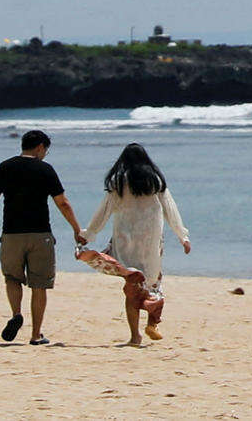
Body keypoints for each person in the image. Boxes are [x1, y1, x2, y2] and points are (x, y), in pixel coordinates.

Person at [0, 129, 85, 344]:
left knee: (12, 278)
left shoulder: (5, 167)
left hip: (12, 234)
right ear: (40, 147)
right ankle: (35, 334)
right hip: (40, 234)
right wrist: (77, 229)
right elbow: (63, 203)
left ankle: (16, 315)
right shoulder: (45, 169)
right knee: (39, 284)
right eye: (45, 150)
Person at [82, 142, 191, 345]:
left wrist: (88, 234)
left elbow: (104, 210)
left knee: (132, 285)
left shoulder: (119, 181)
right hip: (150, 243)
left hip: (125, 242)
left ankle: (135, 336)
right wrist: (182, 236)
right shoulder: (155, 180)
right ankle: (152, 323)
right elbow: (170, 209)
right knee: (153, 283)